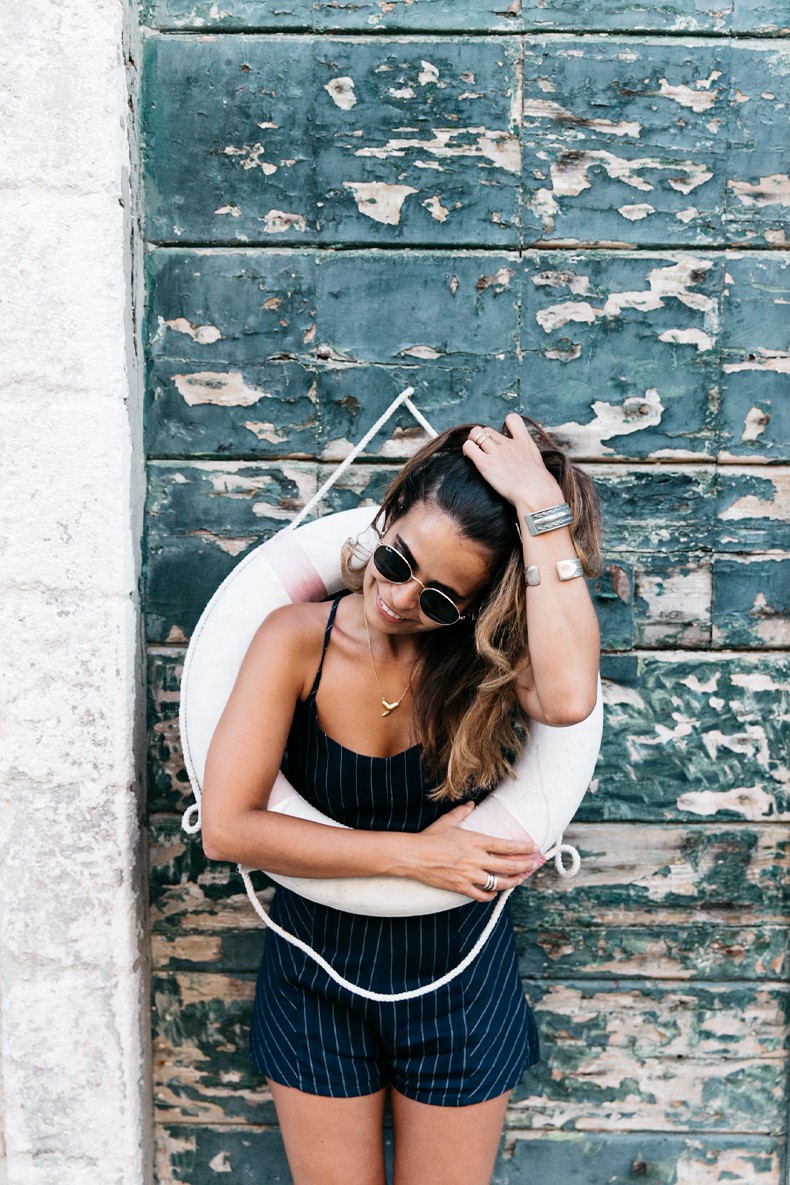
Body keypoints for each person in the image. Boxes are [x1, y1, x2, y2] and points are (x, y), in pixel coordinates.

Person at [201, 413, 602, 1185]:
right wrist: (420, 856)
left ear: (476, 603)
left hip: (461, 975)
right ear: (386, 516)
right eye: (396, 560)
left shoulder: (486, 665)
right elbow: (226, 827)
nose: (398, 598)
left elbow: (569, 693)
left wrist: (540, 510)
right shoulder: (294, 640)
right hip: (316, 973)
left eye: (442, 598)